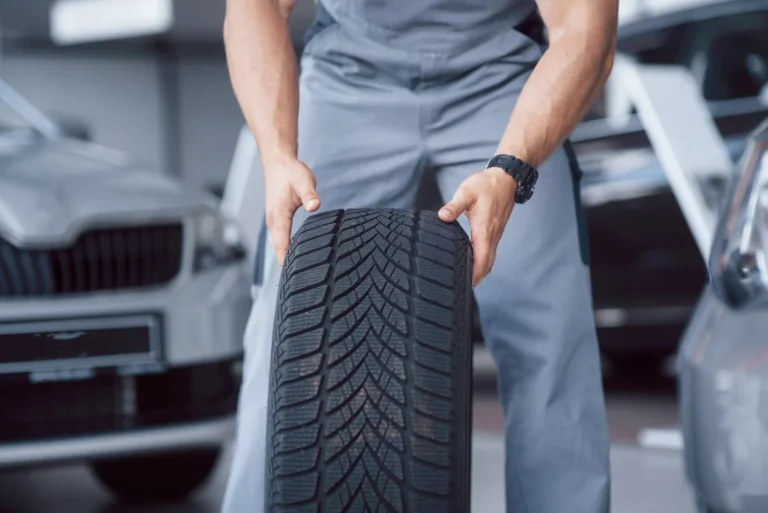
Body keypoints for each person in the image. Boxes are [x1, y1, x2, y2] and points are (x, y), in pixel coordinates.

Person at [222, 0, 617, 510]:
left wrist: (511, 170)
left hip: (499, 77)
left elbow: (586, 33)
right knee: (286, 318)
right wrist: (278, 157)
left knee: (549, 332)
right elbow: (255, 8)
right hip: (349, 73)